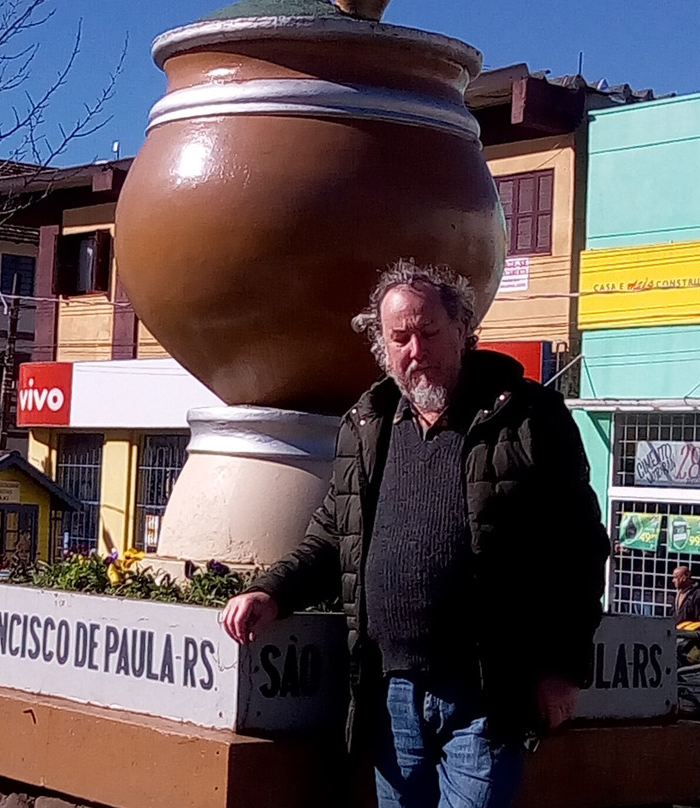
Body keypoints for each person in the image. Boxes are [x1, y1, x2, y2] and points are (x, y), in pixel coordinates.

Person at [220, 261, 610, 808]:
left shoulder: (528, 417)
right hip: (391, 693)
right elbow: (333, 536)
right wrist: (271, 591)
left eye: (429, 332)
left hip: (486, 694)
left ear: (463, 329)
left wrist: (562, 668)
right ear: (382, 345)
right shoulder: (368, 422)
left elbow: (579, 550)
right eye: (400, 337)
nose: (416, 350)